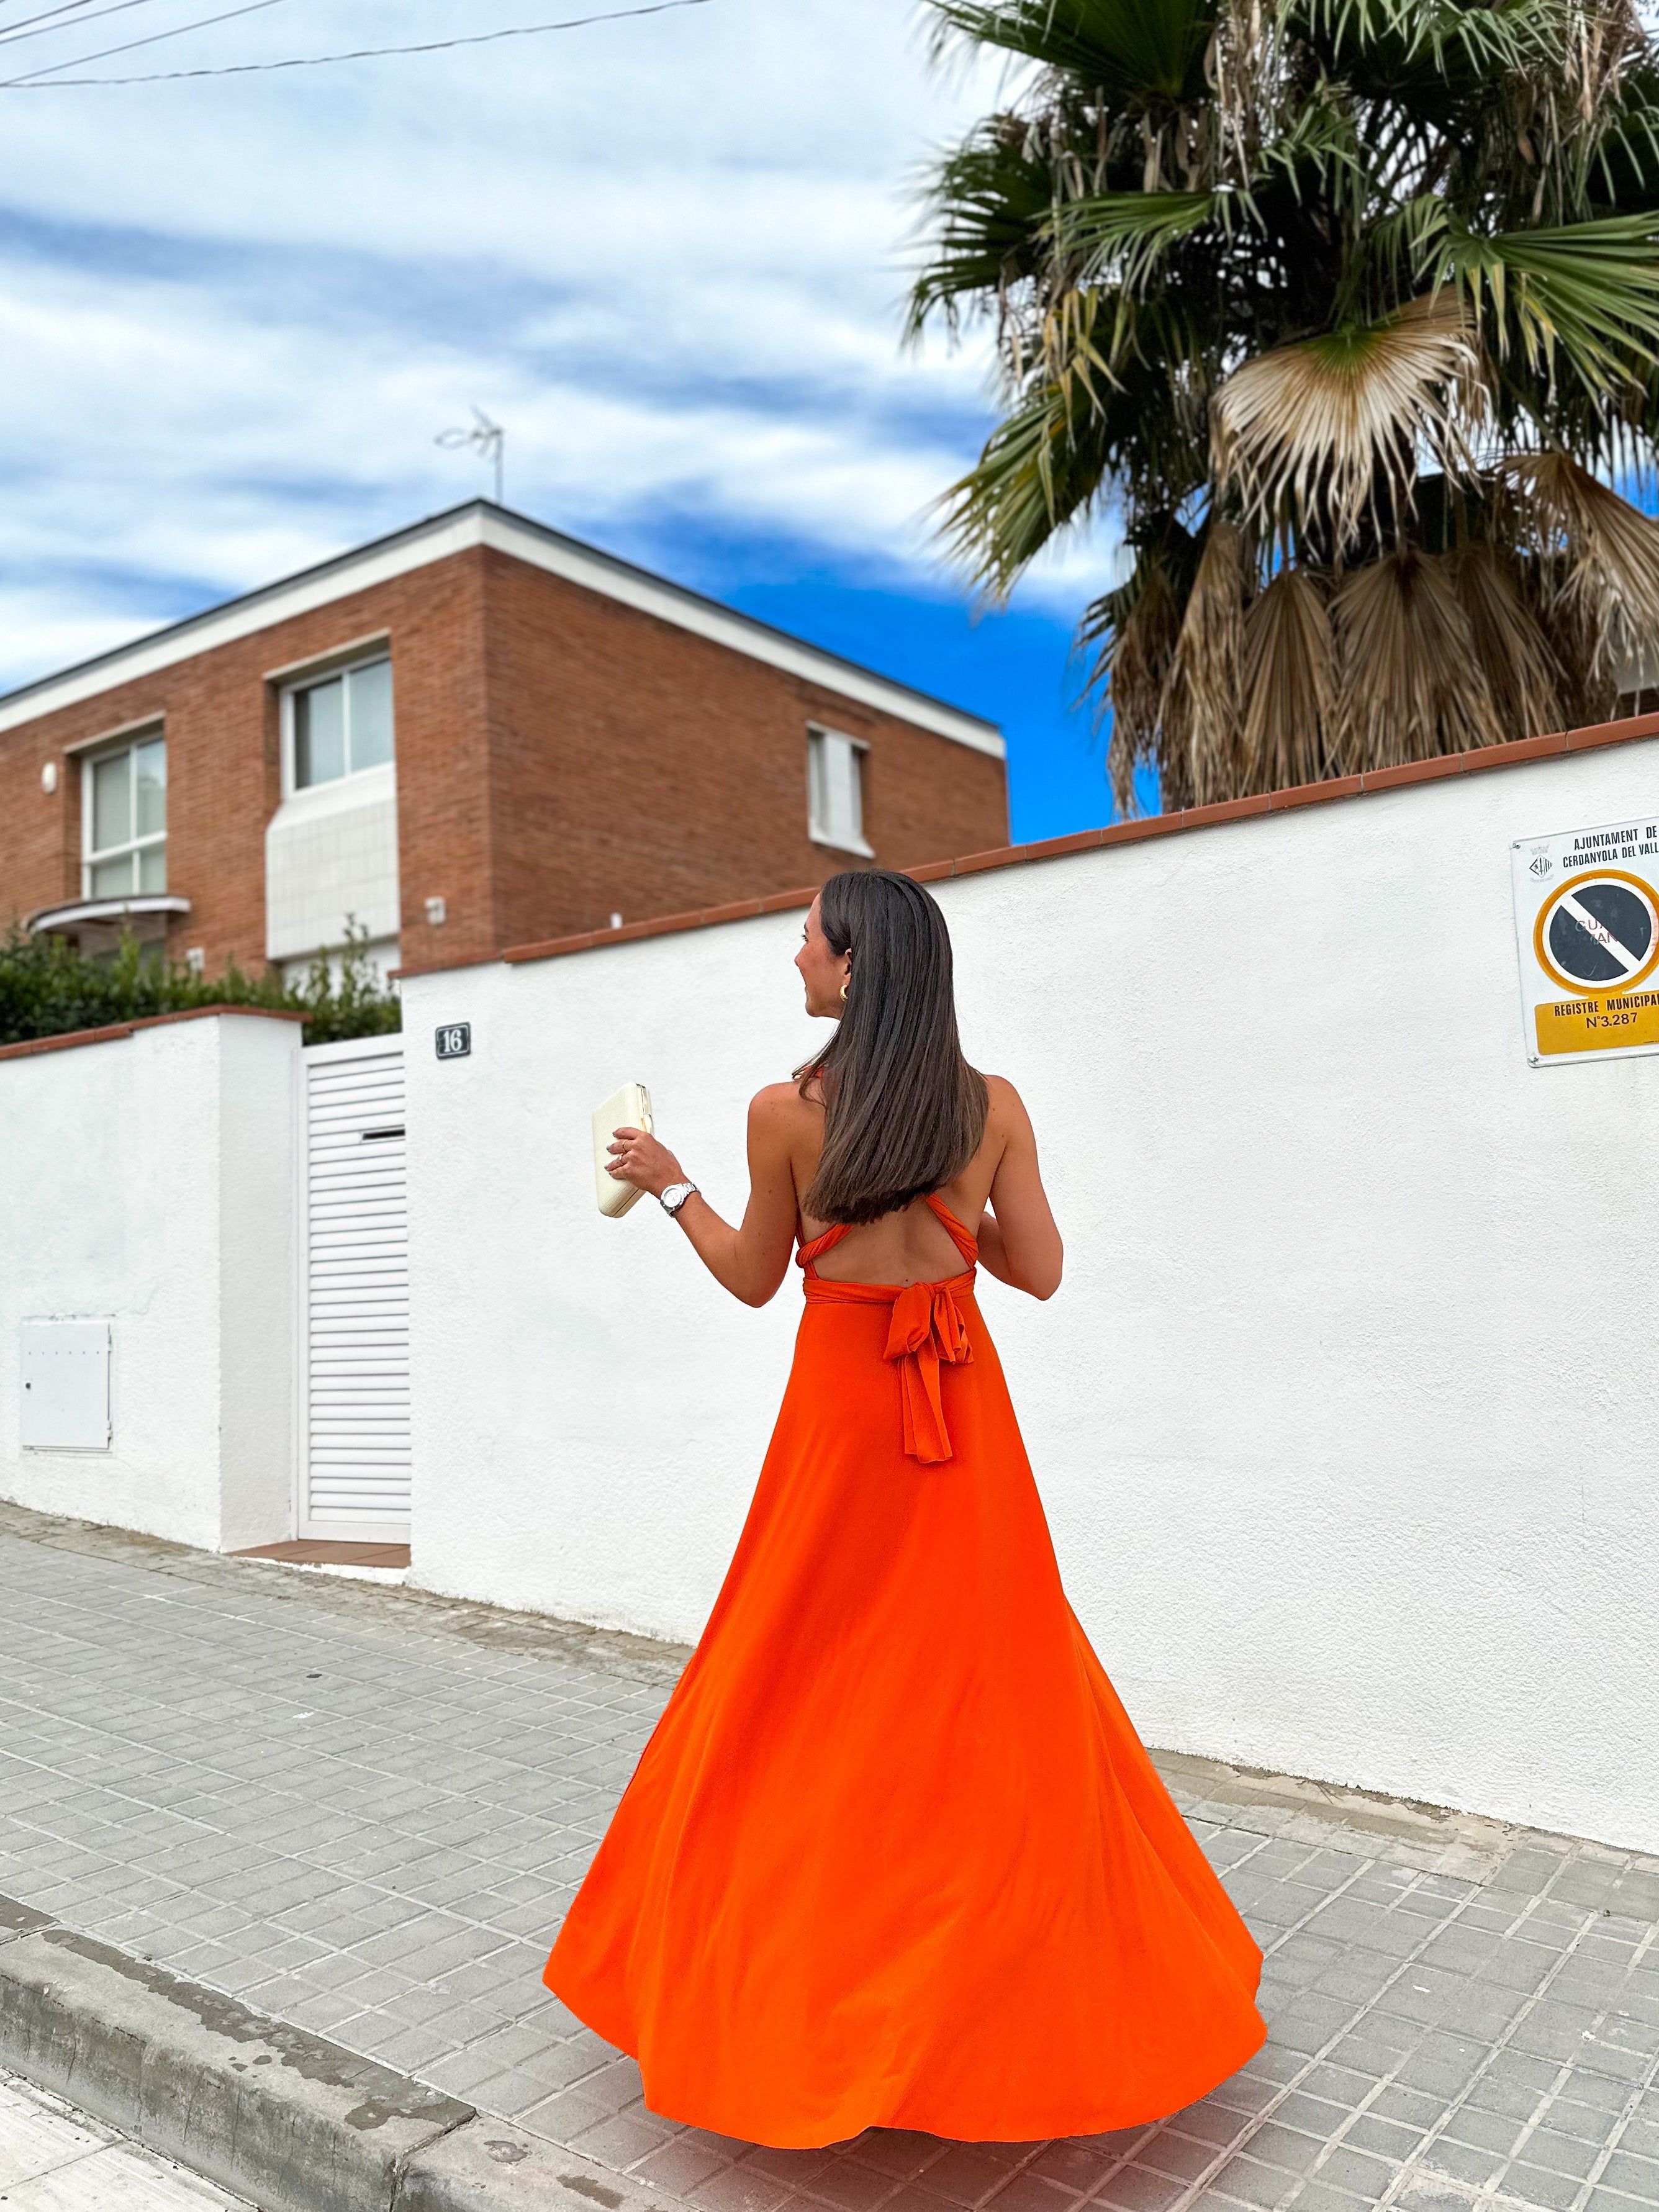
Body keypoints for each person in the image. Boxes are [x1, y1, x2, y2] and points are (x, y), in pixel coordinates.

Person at [544, 869, 1264, 2150]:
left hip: (837, 1424)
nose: (795, 956)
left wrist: (667, 1182)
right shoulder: (990, 1107)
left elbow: (753, 1280)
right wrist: (953, 1212)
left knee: (790, 1681)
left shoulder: (783, 1113)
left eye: (810, 941)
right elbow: (1037, 1271)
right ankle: (1012, 2008)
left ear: (858, 966)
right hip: (960, 1417)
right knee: (996, 1687)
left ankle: (785, 2002)